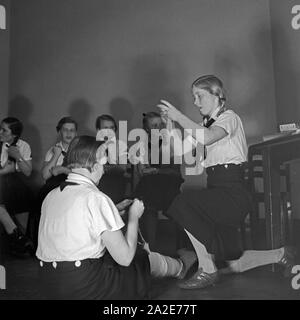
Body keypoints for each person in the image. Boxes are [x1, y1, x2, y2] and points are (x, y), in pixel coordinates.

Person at [158, 75, 297, 289]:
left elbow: (207, 137)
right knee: (233, 261)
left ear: (217, 95)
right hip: (216, 191)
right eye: (193, 97)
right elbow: (178, 151)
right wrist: (169, 124)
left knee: (181, 204)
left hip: (234, 193)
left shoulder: (229, 118)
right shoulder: (203, 124)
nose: (195, 102)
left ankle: (207, 268)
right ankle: (281, 254)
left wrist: (179, 116)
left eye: (199, 96)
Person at [36, 135, 196, 300]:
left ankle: (178, 266)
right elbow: (125, 258)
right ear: (94, 164)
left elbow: (75, 226)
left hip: (49, 285)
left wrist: (114, 211)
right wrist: (134, 217)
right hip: (83, 286)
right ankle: (180, 267)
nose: (104, 170)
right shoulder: (96, 198)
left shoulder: (51, 195)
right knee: (138, 257)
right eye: (103, 165)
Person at [133, 112, 184, 250]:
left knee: (176, 205)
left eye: (161, 124)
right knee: (148, 201)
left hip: (169, 186)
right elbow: (141, 171)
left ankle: (181, 247)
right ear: (147, 129)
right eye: (154, 125)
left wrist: (156, 171)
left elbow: (176, 173)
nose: (159, 128)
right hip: (150, 188)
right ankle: (151, 248)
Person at [0, 117, 34, 255]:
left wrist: (18, 156)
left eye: (4, 130)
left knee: (23, 195)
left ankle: (20, 239)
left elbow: (27, 172)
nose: (0, 132)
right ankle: (19, 239)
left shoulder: (23, 146)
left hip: (13, 185)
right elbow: (8, 169)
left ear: (14, 134)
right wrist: (8, 169)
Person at [95, 114, 130, 204]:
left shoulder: (121, 145)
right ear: (98, 130)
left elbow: (122, 168)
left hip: (114, 183)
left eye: (112, 128)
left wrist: (102, 168)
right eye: (105, 128)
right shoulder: (91, 146)